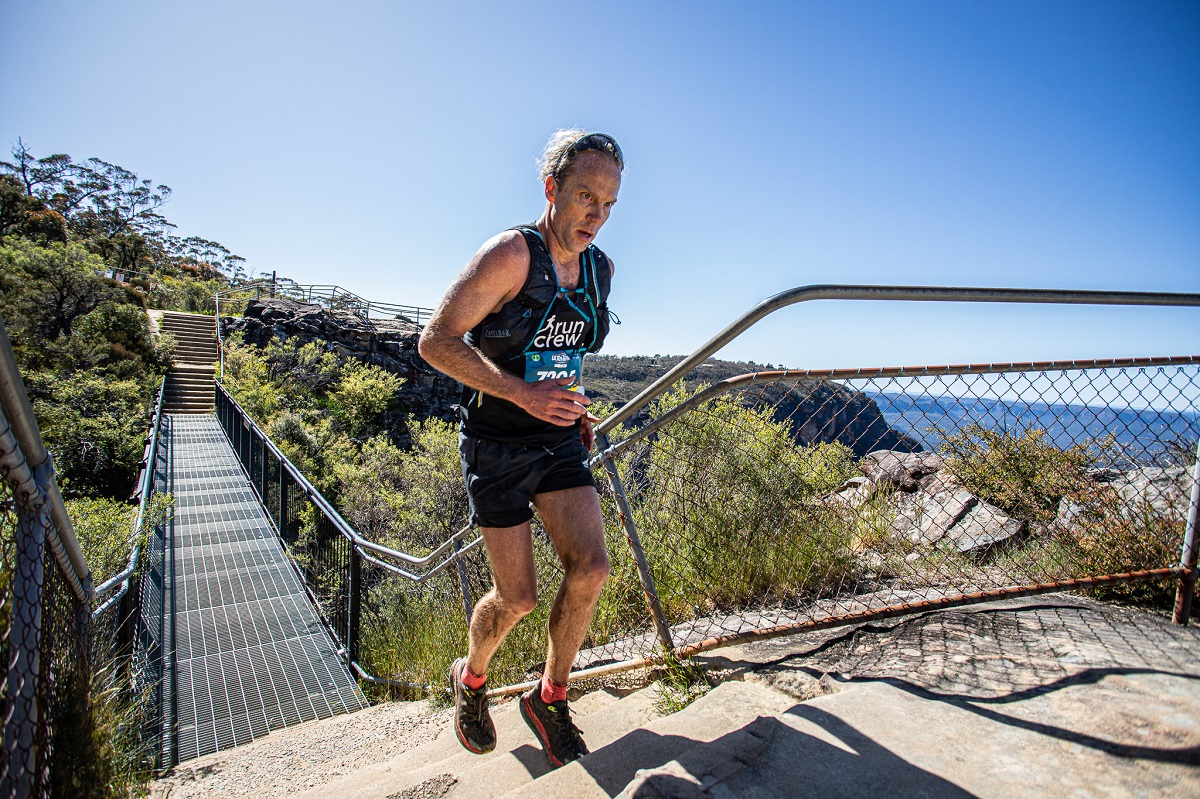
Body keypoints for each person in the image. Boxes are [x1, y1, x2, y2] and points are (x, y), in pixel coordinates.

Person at [417, 129, 624, 768]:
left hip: (558, 438)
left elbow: (565, 348)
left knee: (591, 568)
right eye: (585, 194)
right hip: (497, 444)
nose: (595, 213)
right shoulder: (511, 255)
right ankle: (472, 678)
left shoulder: (600, 270)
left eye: (609, 202)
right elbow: (436, 341)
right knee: (519, 598)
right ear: (551, 188)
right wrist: (521, 395)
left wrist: (570, 402)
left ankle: (550, 698)